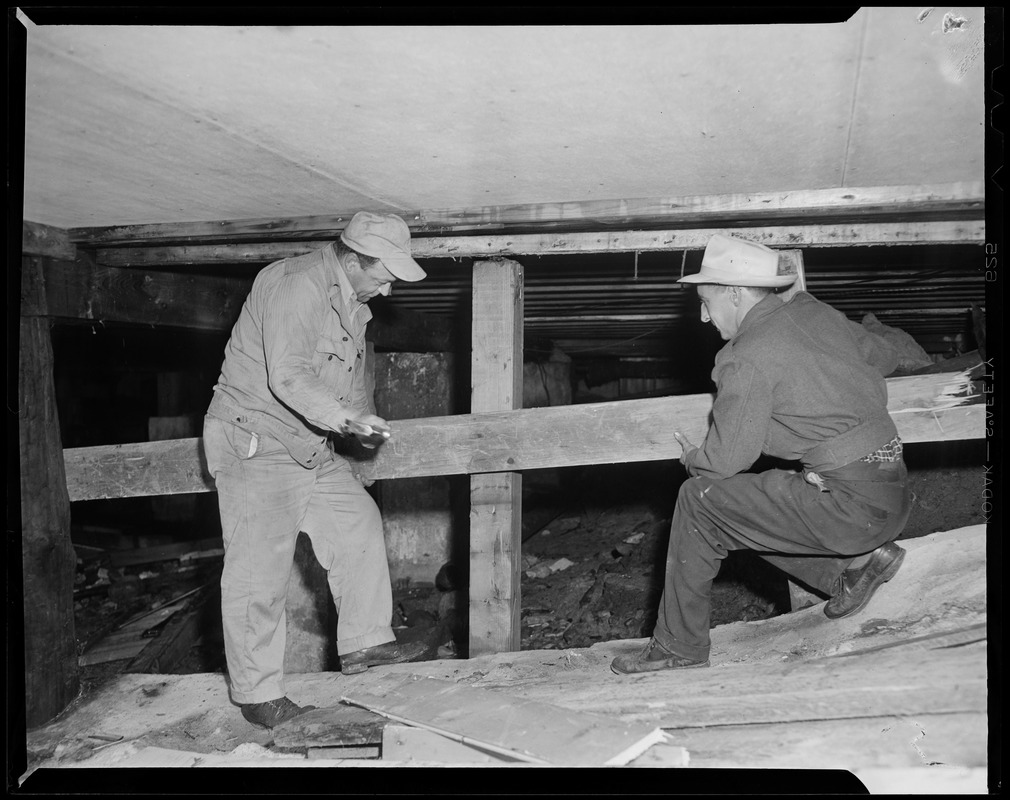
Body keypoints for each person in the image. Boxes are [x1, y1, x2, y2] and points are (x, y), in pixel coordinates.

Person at [612, 233, 911, 675]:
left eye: (706, 302)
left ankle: (679, 647)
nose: (702, 316)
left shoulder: (744, 357)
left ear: (733, 294)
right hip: (894, 492)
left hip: (851, 508)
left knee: (700, 501)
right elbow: (881, 354)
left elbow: (723, 462)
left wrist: (692, 457)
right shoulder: (815, 313)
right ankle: (855, 569)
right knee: (748, 505)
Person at [204, 211, 429, 727]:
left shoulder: (355, 306)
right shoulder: (294, 283)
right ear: (354, 259)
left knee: (358, 523)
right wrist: (346, 417)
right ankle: (257, 694)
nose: (389, 291)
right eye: (384, 276)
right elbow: (288, 376)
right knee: (259, 572)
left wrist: (360, 428)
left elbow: (348, 389)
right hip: (256, 440)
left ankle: (365, 645)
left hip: (307, 442)